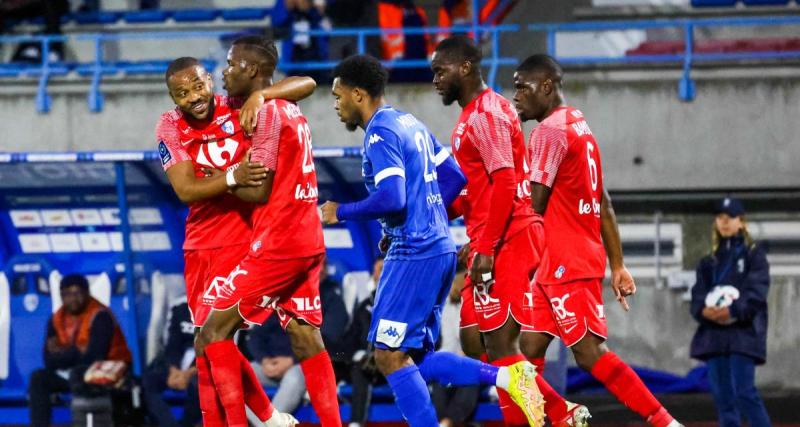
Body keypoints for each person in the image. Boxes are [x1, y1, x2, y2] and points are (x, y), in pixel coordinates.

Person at [320, 54, 544, 427]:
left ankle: (505, 379)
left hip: (415, 252)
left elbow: (393, 197)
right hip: (436, 248)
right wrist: (423, 219)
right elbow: (454, 176)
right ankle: (508, 377)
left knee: (387, 355)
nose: (335, 104)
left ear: (357, 94)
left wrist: (339, 212)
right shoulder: (409, 122)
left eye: (337, 95)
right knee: (413, 357)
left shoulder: (379, 132)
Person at [511, 53, 682, 427]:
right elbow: (602, 202)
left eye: (521, 87)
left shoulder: (550, 131)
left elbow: (533, 205)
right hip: (555, 261)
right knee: (528, 349)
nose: (515, 97)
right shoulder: (579, 125)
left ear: (546, 86)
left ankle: (663, 421)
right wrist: (618, 264)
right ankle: (556, 416)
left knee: (589, 354)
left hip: (566, 261)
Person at [430, 36, 588, 427]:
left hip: (510, 238)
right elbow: (476, 190)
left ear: (465, 67)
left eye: (439, 71)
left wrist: (484, 246)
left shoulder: (486, 113)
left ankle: (537, 417)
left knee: (499, 346)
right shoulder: (470, 115)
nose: (434, 79)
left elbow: (504, 182)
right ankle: (558, 410)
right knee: (474, 341)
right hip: (491, 237)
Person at [157, 58, 316, 427]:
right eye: (182, 93)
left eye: (197, 86)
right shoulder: (169, 125)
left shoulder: (238, 104)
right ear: (172, 97)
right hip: (200, 241)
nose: (193, 98)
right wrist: (233, 176)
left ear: (209, 80)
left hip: (246, 238)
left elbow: (307, 82)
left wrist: (261, 93)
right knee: (205, 345)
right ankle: (266, 418)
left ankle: (254, 420)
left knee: (215, 338)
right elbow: (186, 189)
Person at [193, 35, 342, 427]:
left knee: (212, 333)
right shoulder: (288, 108)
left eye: (230, 64)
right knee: (305, 335)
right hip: (307, 237)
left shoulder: (268, 114)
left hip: (280, 242)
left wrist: (222, 179)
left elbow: (259, 190)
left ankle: (263, 420)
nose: (223, 72)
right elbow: (306, 83)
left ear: (251, 69)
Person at [690, 197, 771, 427]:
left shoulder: (754, 256)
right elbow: (697, 295)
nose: (724, 222)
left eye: (730, 217)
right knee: (723, 397)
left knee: (744, 392)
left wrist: (732, 310)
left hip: (743, 335)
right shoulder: (709, 262)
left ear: (741, 222)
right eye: (720, 217)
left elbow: (757, 292)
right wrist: (703, 311)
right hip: (714, 337)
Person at [28, 274, 132, 427]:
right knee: (38, 378)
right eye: (67, 294)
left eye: (77, 293)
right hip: (71, 372)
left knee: (80, 374)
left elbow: (95, 356)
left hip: (108, 370)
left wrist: (63, 354)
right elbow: (48, 361)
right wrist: (76, 352)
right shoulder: (55, 319)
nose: (73, 299)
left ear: (87, 293)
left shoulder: (100, 315)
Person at [431, 266, 480, 427]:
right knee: (440, 377)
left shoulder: (477, 305)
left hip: (473, 360)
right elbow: (445, 343)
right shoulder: (440, 307)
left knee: (470, 375)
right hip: (447, 358)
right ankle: (445, 422)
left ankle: (446, 423)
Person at [339, 256, 385, 427]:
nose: (379, 274)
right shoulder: (366, 305)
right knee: (359, 366)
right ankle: (356, 423)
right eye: (377, 270)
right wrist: (355, 354)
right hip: (368, 366)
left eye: (383, 269)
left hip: (395, 362)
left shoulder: (402, 303)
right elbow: (350, 338)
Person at [142, 299, 201, 427]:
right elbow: (173, 344)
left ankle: (188, 424)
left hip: (204, 367)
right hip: (177, 366)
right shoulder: (181, 308)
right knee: (148, 381)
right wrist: (173, 370)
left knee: (200, 385)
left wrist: (190, 372)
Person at [247, 316, 307, 415]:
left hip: (303, 363)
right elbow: (255, 338)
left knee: (293, 379)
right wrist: (264, 360)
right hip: (270, 364)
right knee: (237, 376)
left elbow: (327, 339)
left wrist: (292, 360)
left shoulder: (320, 303)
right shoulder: (273, 306)